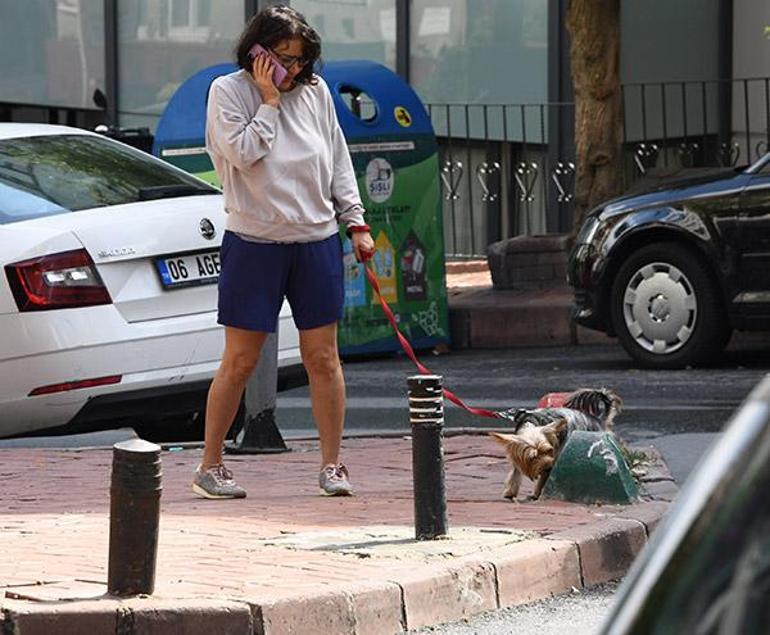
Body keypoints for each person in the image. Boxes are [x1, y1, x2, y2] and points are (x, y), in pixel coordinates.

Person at [192, 5, 374, 500]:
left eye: (300, 60)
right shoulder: (227, 93)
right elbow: (244, 153)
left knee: (323, 356)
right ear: (257, 51)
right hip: (254, 241)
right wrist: (269, 101)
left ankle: (332, 465)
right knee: (240, 360)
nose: (292, 70)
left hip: (315, 237)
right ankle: (211, 465)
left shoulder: (315, 93)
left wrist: (355, 221)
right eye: (283, 58)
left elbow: (336, 157)